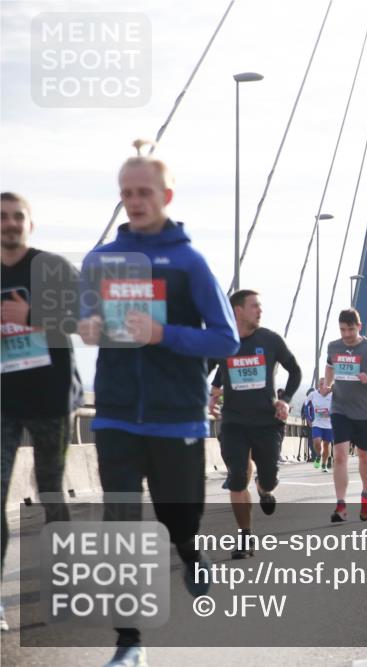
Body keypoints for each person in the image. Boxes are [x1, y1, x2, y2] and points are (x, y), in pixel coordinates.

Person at [77, 140, 240, 664]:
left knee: (179, 518)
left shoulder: (189, 262)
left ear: (166, 194)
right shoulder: (101, 259)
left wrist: (163, 333)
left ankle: (191, 553)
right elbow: (86, 322)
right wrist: (89, 327)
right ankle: (130, 643)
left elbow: (226, 340)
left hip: (176, 418)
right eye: (126, 192)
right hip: (117, 416)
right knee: (120, 524)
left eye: (143, 191)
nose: (134, 201)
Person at [1, 191, 77, 633]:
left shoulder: (52, 268)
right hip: (3, 402)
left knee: (50, 491)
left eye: (17, 217)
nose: (9, 223)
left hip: (50, 400)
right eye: (2, 217)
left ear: (31, 224)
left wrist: (32, 314)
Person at [208, 289, 300, 559]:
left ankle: (263, 488)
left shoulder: (270, 340)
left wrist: (287, 400)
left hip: (267, 422)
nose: (260, 311)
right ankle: (245, 538)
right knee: (237, 479)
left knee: (269, 478)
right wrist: (205, 397)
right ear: (238, 311)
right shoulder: (223, 341)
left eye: (260, 306)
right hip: (234, 422)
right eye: (254, 307)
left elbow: (294, 370)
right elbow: (203, 367)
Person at [320, 308, 367, 522]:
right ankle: (340, 505)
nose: (347, 334)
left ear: (359, 327)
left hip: (365, 411)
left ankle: (366, 495)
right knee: (340, 455)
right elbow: (330, 367)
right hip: (340, 408)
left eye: (350, 329)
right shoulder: (334, 346)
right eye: (342, 330)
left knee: (364, 455)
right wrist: (327, 385)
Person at [307, 379, 334, 472]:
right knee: (317, 442)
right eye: (320, 384)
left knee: (326, 445)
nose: (322, 386)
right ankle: (318, 455)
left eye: (324, 384)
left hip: (329, 425)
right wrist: (309, 418)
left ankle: (324, 464)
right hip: (317, 423)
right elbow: (306, 405)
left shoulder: (333, 395)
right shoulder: (313, 394)